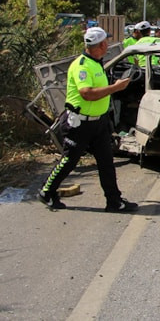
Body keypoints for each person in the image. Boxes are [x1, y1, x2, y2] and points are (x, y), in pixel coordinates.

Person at [38, 27, 138, 212]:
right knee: (70, 159)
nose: (108, 44)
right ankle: (47, 190)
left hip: (98, 122)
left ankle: (114, 201)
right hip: (80, 123)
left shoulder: (97, 62)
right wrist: (115, 88)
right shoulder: (82, 65)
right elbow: (87, 94)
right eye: (106, 41)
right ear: (101, 44)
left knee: (106, 162)